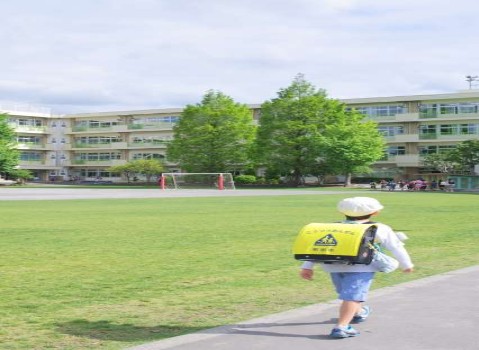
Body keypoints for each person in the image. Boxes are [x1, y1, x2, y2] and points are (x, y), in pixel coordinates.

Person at [299, 197, 414, 339]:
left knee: (349, 296)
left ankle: (355, 315)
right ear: (375, 212)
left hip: (333, 267)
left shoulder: (334, 227)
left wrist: (307, 266)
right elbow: (396, 247)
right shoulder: (380, 228)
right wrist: (407, 264)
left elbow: (319, 248)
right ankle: (342, 327)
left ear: (342, 212)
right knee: (352, 297)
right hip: (362, 268)